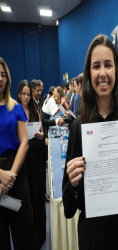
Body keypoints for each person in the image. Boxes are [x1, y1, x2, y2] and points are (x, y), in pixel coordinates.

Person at [62, 35, 118, 250]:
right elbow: (69, 209)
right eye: (95, 66)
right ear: (89, 74)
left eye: (108, 65)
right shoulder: (78, 127)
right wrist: (72, 183)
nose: (102, 73)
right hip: (92, 235)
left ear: (116, 70)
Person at [0, 57, 39, 250]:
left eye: (3, 74)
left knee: (23, 229)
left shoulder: (14, 107)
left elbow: (24, 142)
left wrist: (10, 176)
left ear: (7, 79)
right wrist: (1, 176)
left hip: (16, 174)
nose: (0, 78)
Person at [17, 80, 46, 248]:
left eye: (29, 94)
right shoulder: (15, 111)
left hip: (35, 158)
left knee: (38, 197)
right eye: (24, 94)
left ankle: (40, 235)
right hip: (22, 161)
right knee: (25, 201)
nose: (27, 97)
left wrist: (41, 136)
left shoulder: (36, 110)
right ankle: (27, 237)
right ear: (19, 94)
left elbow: (41, 132)